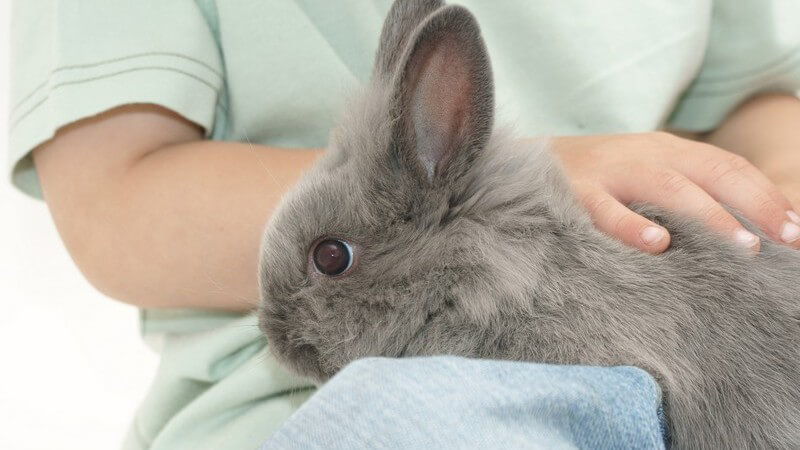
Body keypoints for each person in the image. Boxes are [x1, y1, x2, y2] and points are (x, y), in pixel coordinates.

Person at [8, 0, 800, 448]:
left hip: (693, 340)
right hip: (330, 406)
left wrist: (776, 208)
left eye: (329, 260)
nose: (281, 322)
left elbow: (761, 98)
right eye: (333, 256)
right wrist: (546, 169)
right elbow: (117, 200)